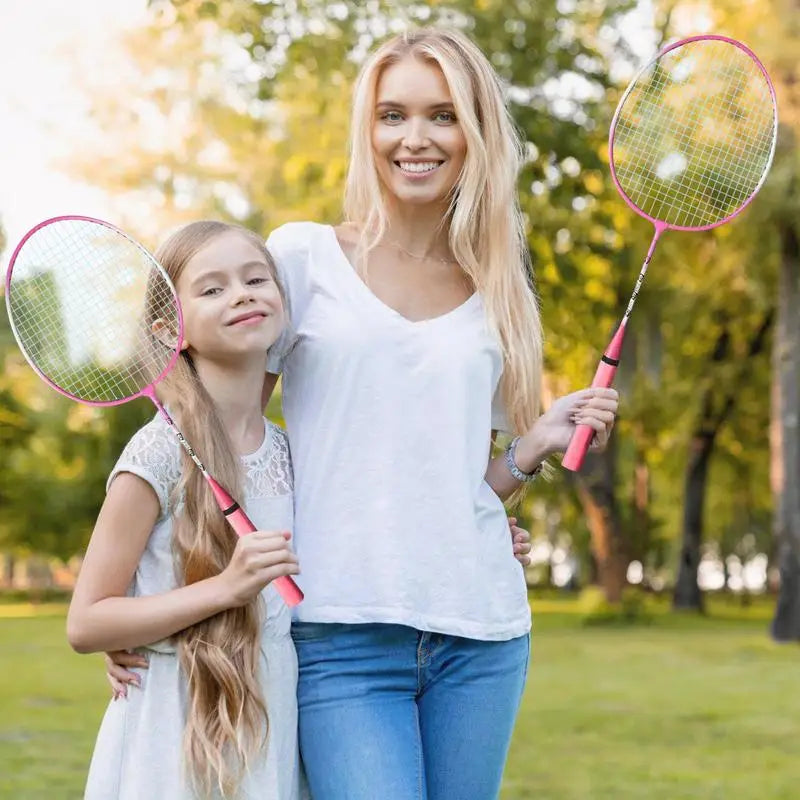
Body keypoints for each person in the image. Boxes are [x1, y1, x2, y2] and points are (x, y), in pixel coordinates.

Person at [108, 25, 617, 800]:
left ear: (475, 130)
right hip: (341, 637)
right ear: (368, 130)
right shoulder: (303, 261)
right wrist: (153, 604)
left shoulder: (500, 288)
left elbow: (441, 482)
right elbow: (222, 444)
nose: (416, 138)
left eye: (442, 114)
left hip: (481, 633)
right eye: (393, 116)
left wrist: (528, 452)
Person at [67, 221, 303, 800]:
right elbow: (87, 621)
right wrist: (227, 588)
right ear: (172, 329)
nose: (243, 294)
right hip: (171, 730)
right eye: (213, 288)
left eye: (255, 278)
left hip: (269, 715)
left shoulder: (289, 450)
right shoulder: (158, 451)